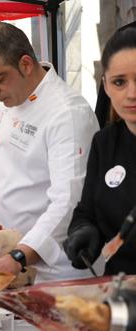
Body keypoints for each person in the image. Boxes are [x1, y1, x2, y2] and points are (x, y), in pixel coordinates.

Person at [0, 22, 101, 283]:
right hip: (11, 253)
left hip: (57, 266)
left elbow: (68, 201)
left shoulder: (67, 113)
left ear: (26, 64)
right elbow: (1, 157)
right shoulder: (12, 99)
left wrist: (20, 255)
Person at [63, 26, 136, 275]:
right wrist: (84, 230)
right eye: (119, 82)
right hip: (118, 294)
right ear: (105, 85)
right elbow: (87, 211)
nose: (132, 94)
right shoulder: (104, 142)